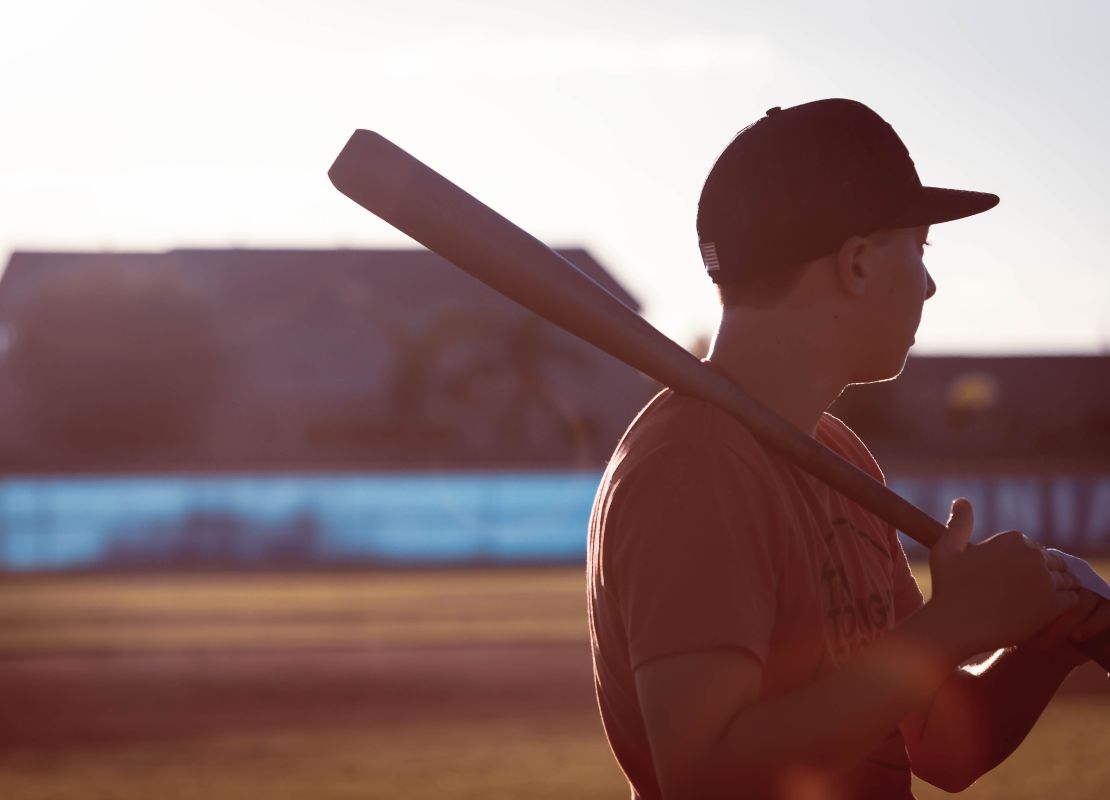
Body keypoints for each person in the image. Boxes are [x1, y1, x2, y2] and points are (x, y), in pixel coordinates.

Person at [586, 98, 1110, 800]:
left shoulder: (836, 454)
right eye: (919, 249)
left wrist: (1042, 641)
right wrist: (950, 628)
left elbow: (943, 746)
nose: (928, 282)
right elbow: (704, 777)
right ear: (857, 264)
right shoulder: (695, 464)